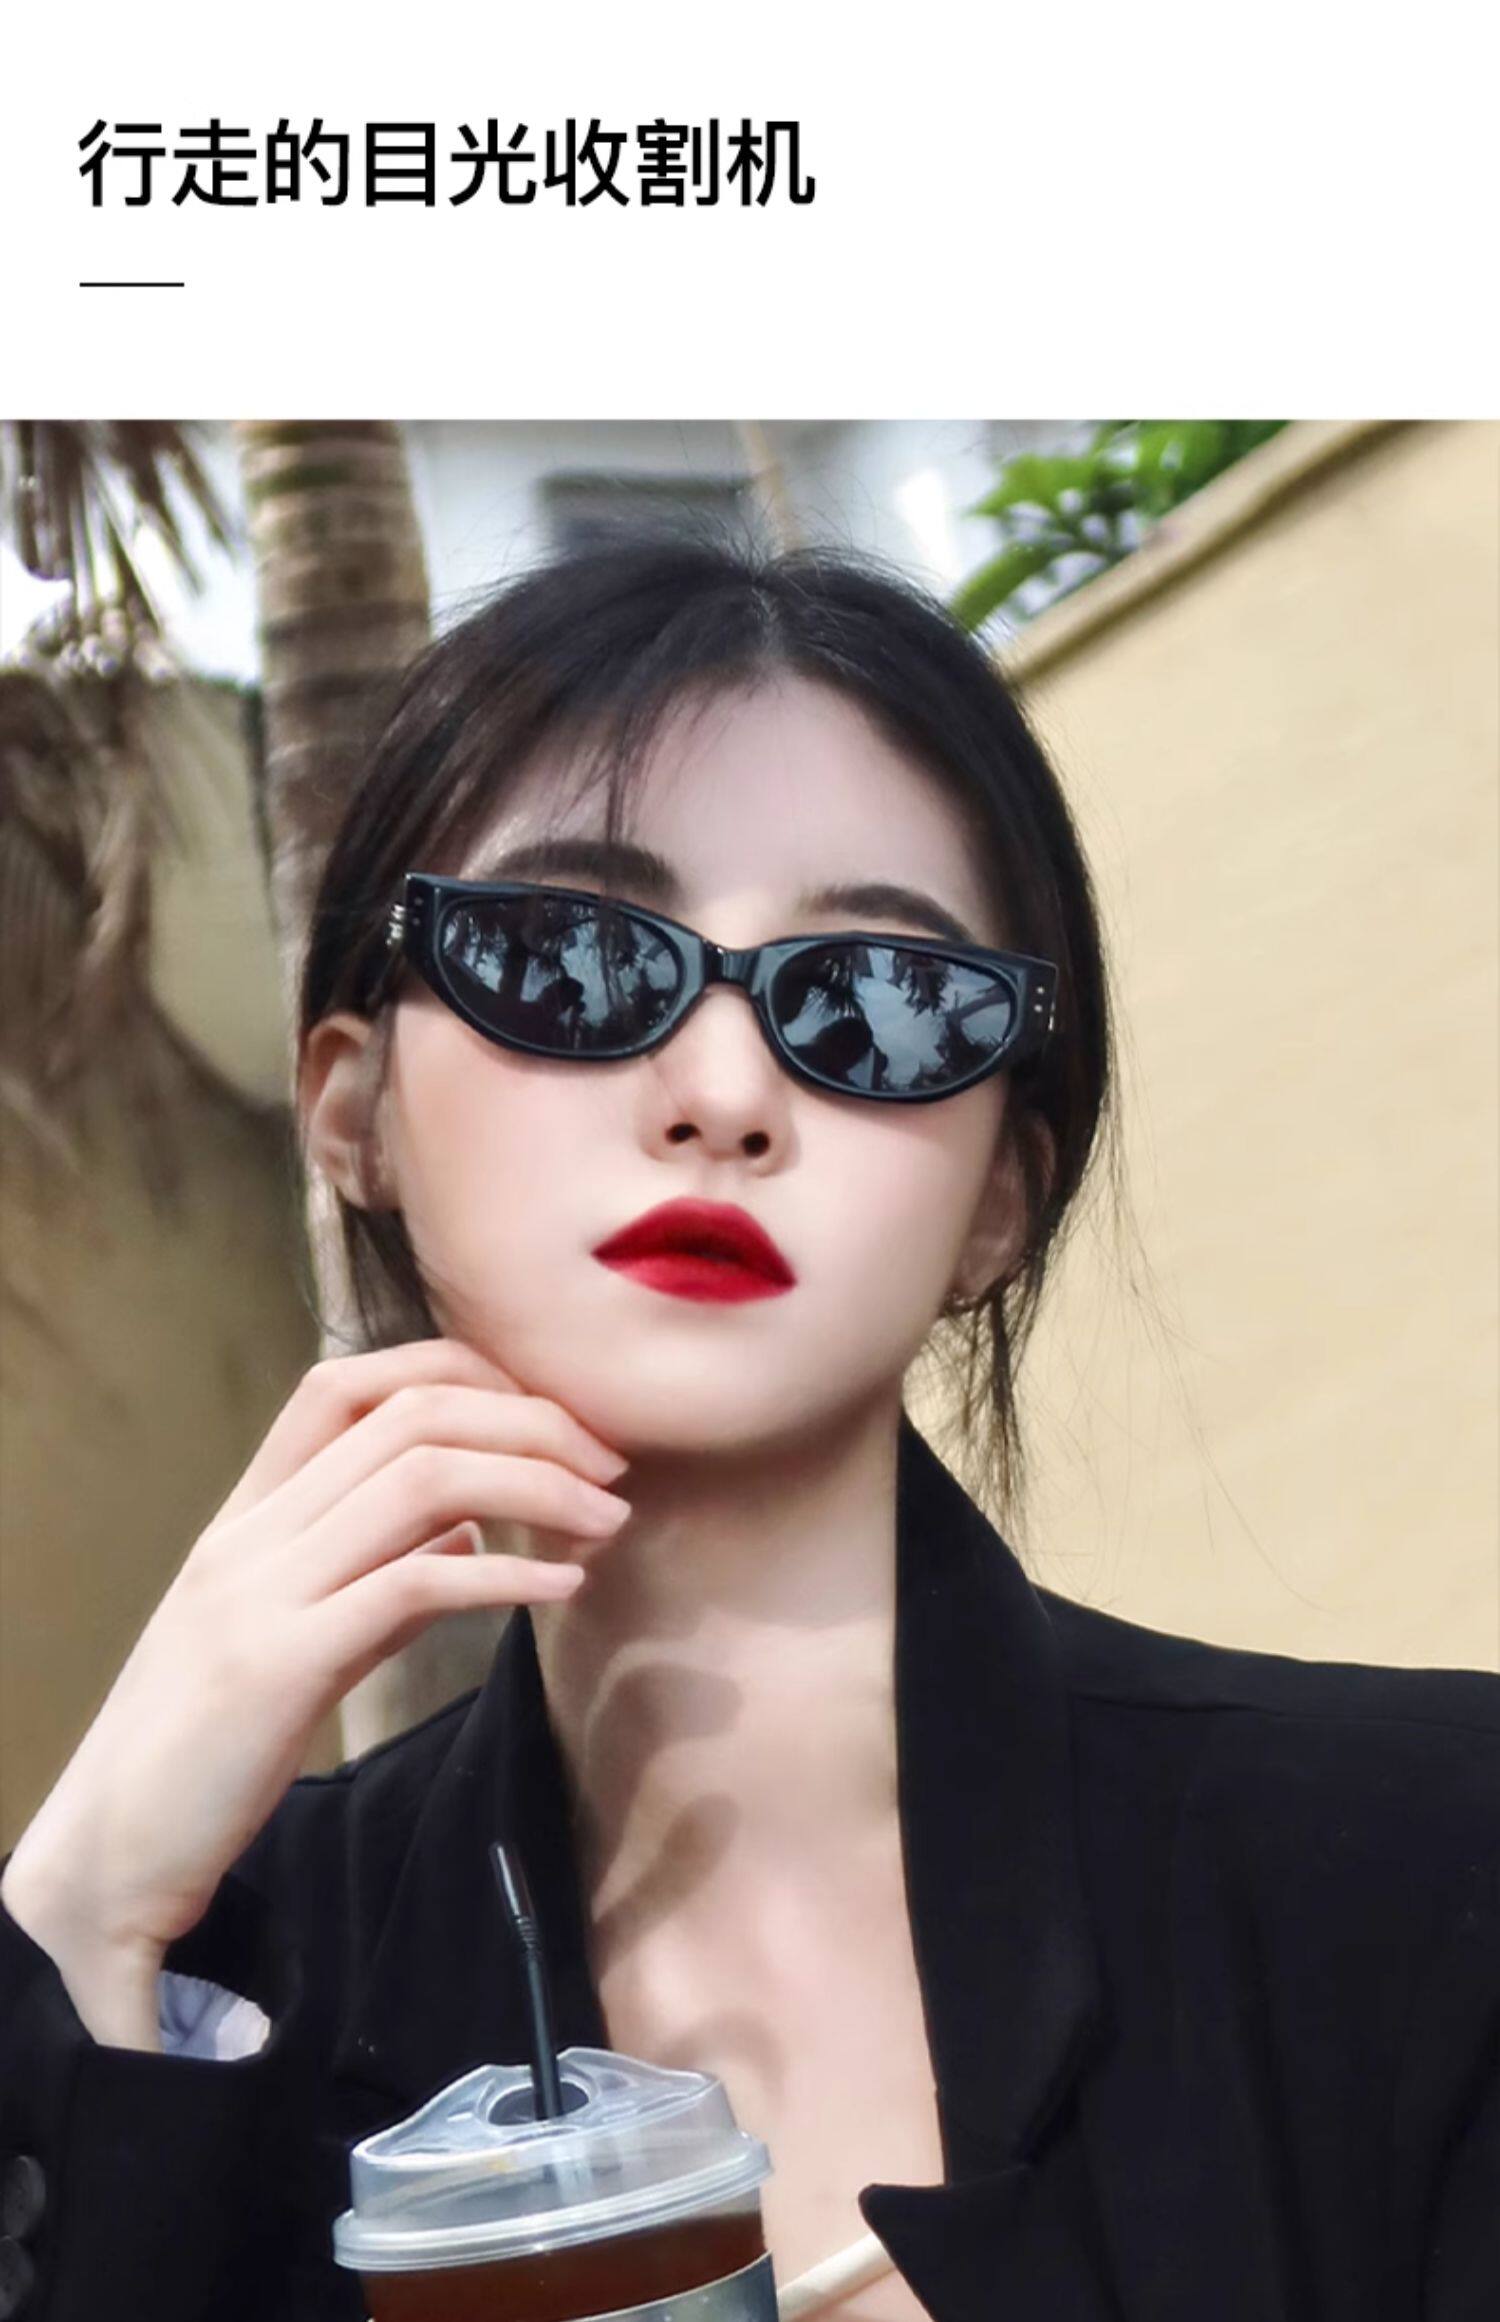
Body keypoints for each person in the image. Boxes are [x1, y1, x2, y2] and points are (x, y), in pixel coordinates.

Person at [0, 537, 1495, 2322]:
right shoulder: (203, 1999)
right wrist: (78, 1908)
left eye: (879, 998)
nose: (724, 1096)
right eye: (570, 957)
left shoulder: (1426, 1861)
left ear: (1000, 1201)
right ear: (354, 1109)